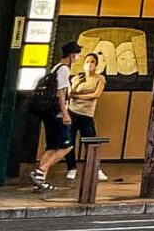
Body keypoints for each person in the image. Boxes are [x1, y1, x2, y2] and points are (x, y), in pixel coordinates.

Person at [30, 41, 81, 189]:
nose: (77, 58)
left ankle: (40, 180)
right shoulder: (64, 69)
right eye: (77, 55)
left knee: (51, 146)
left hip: (49, 113)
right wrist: (65, 113)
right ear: (71, 55)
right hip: (58, 113)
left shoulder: (56, 67)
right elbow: (61, 93)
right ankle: (41, 171)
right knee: (67, 145)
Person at [64, 51, 107, 183]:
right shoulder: (76, 77)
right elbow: (69, 93)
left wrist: (78, 96)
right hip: (72, 112)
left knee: (90, 142)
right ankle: (71, 167)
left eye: (92, 62)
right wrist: (76, 86)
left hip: (87, 114)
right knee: (69, 141)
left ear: (97, 65)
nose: (89, 64)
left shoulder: (99, 79)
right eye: (87, 62)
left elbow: (95, 95)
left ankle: (96, 168)